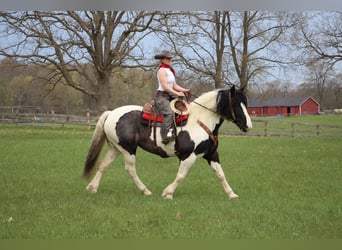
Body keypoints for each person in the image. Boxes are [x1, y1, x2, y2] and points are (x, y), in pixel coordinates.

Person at [154, 50, 190, 144]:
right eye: (168, 58)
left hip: (169, 96)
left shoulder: (169, 70)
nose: (170, 60)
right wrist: (177, 93)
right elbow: (165, 87)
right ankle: (164, 137)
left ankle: (174, 132)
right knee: (169, 114)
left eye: (171, 58)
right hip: (161, 97)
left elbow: (174, 85)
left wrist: (184, 90)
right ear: (163, 59)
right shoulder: (161, 70)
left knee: (182, 109)